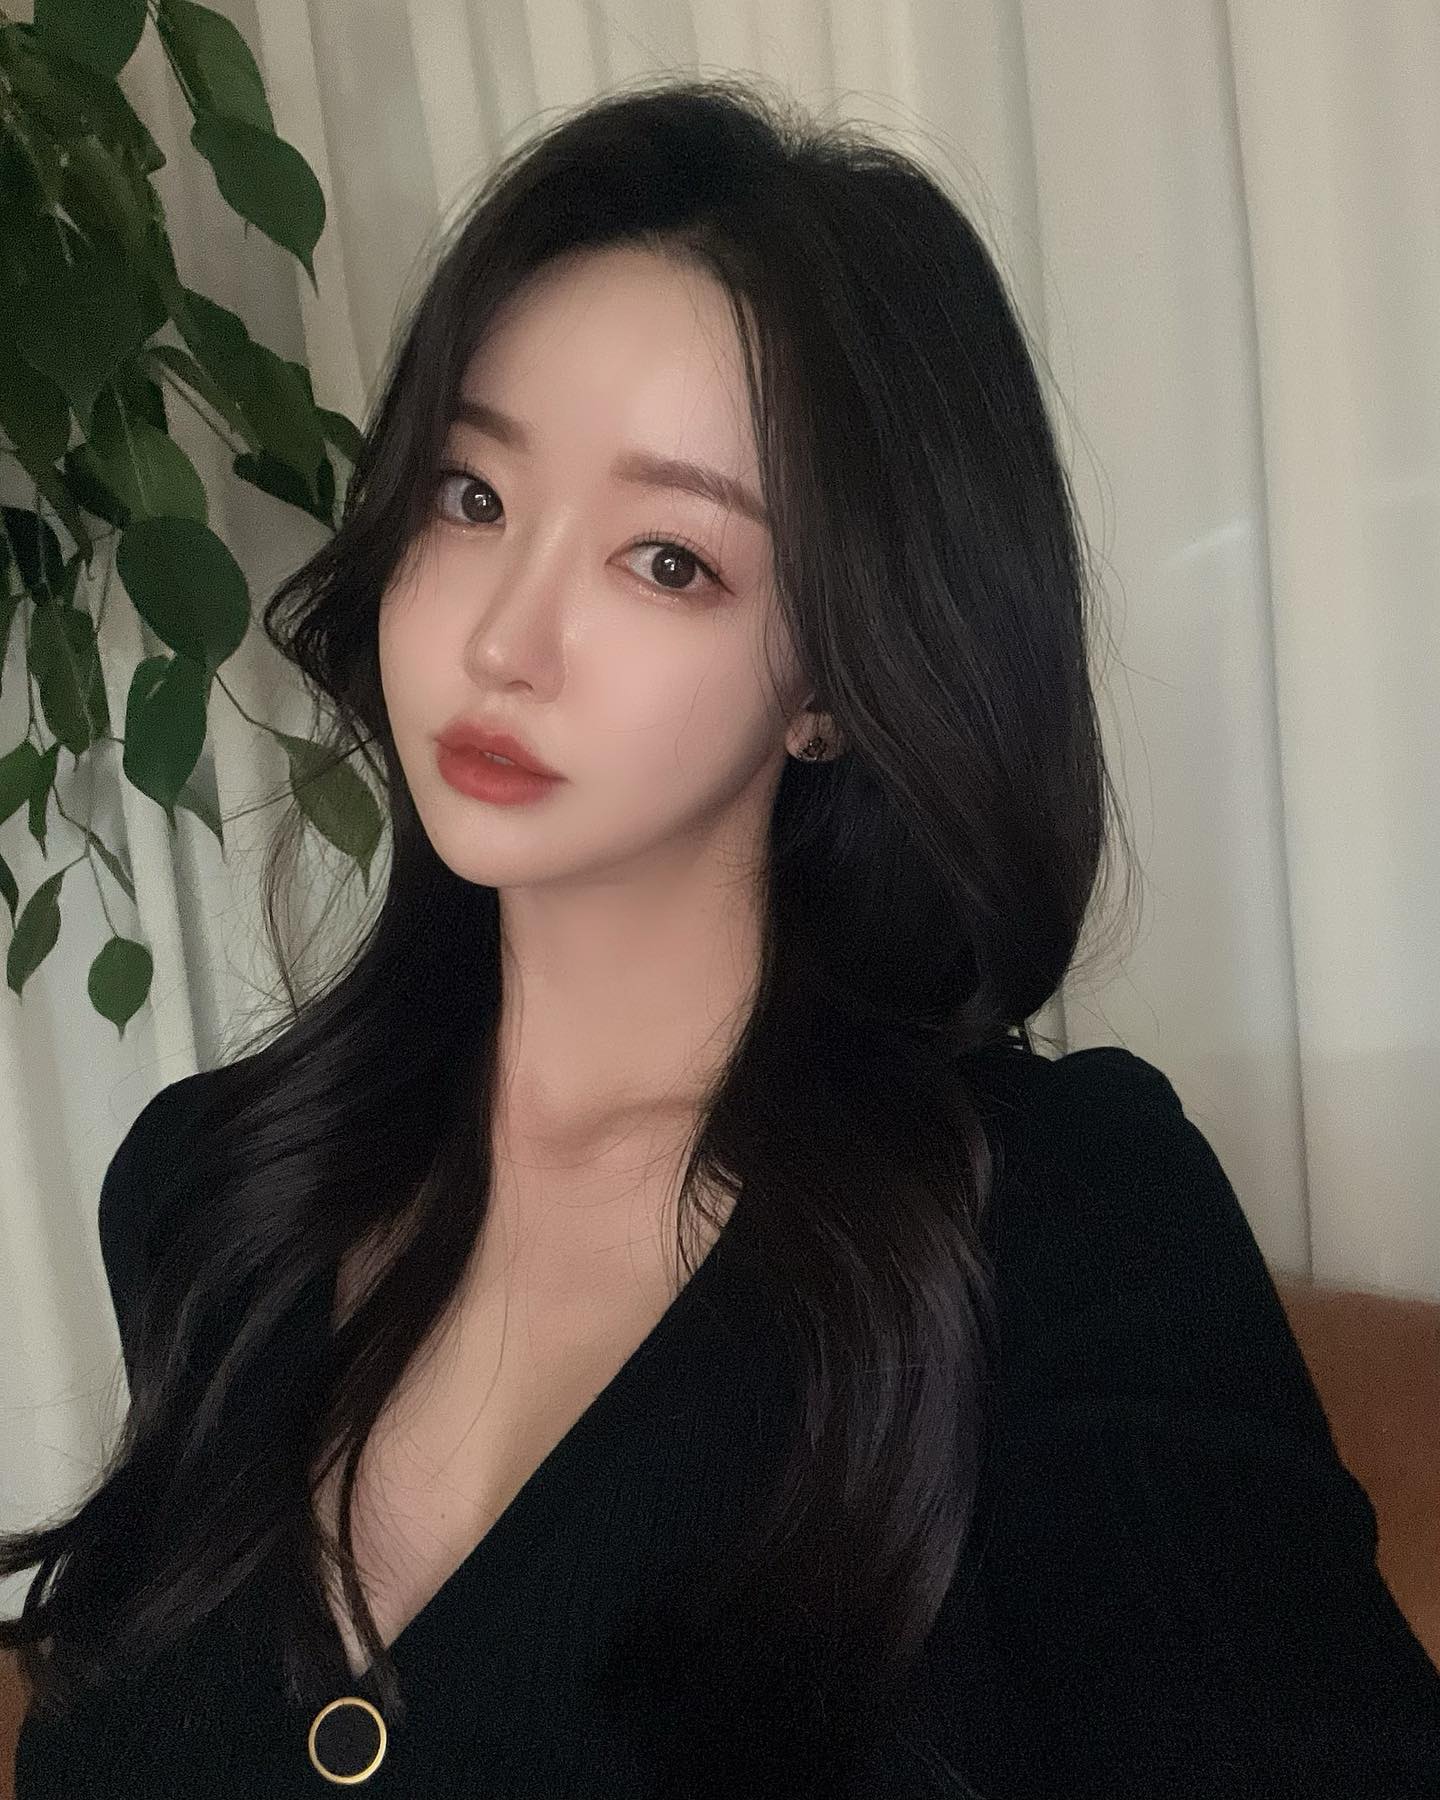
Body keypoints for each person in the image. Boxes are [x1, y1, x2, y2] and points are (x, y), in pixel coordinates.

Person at [4, 73, 1438, 1799]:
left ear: (835, 677)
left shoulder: (1052, 1221)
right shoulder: (214, 1191)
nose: (505, 638)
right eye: (470, 494)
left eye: (668, 560)